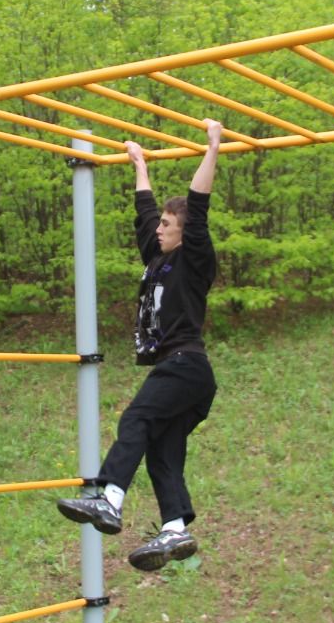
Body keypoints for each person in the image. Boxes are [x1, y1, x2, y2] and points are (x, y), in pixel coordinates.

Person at [58, 119, 224, 571]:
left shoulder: (192, 262)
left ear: (183, 233)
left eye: (169, 226)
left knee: (136, 417)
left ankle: (109, 497)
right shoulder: (157, 258)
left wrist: (212, 147)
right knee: (160, 450)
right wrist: (140, 165)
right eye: (162, 225)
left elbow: (197, 207)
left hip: (185, 365)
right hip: (183, 373)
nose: (160, 230)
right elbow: (146, 215)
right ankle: (175, 529)